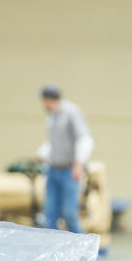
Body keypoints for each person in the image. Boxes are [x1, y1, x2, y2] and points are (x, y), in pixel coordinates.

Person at [37, 83, 93, 233]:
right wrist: (41, 154)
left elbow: (84, 139)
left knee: (69, 213)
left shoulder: (71, 112)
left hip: (69, 170)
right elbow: (55, 142)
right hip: (53, 170)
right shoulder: (51, 116)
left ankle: (81, 251)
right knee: (50, 213)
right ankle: (52, 251)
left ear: (48, 99)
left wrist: (78, 164)